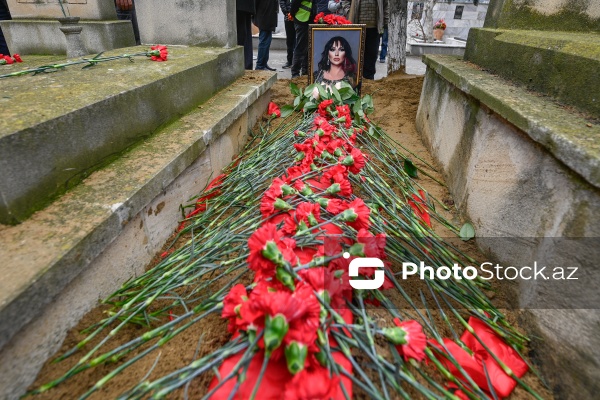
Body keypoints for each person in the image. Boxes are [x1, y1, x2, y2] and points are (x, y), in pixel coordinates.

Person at [344, 0, 388, 80]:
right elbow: (345, 2)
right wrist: (348, 12)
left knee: (371, 56)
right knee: (354, 56)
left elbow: (386, 6)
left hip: (374, 28)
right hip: (357, 28)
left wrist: (385, 23)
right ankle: (354, 82)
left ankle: (369, 81)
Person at [290, 0, 317, 78]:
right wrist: (292, 14)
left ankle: (305, 71)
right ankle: (295, 72)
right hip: (301, 19)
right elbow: (295, 4)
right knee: (301, 47)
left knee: (307, 47)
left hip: (308, 19)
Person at [254, 0, 278, 71]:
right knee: (264, 41)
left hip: (268, 16)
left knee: (267, 41)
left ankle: (263, 63)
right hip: (264, 16)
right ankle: (260, 65)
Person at [236, 0, 255, 70]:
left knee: (242, 35)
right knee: (246, 35)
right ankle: (247, 64)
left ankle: (243, 64)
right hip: (246, 6)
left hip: (239, 6)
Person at [279, 0, 295, 69]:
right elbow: (282, 2)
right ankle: (290, 61)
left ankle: (298, 61)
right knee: (290, 40)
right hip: (288, 17)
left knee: (299, 40)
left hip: (299, 17)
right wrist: (287, 13)